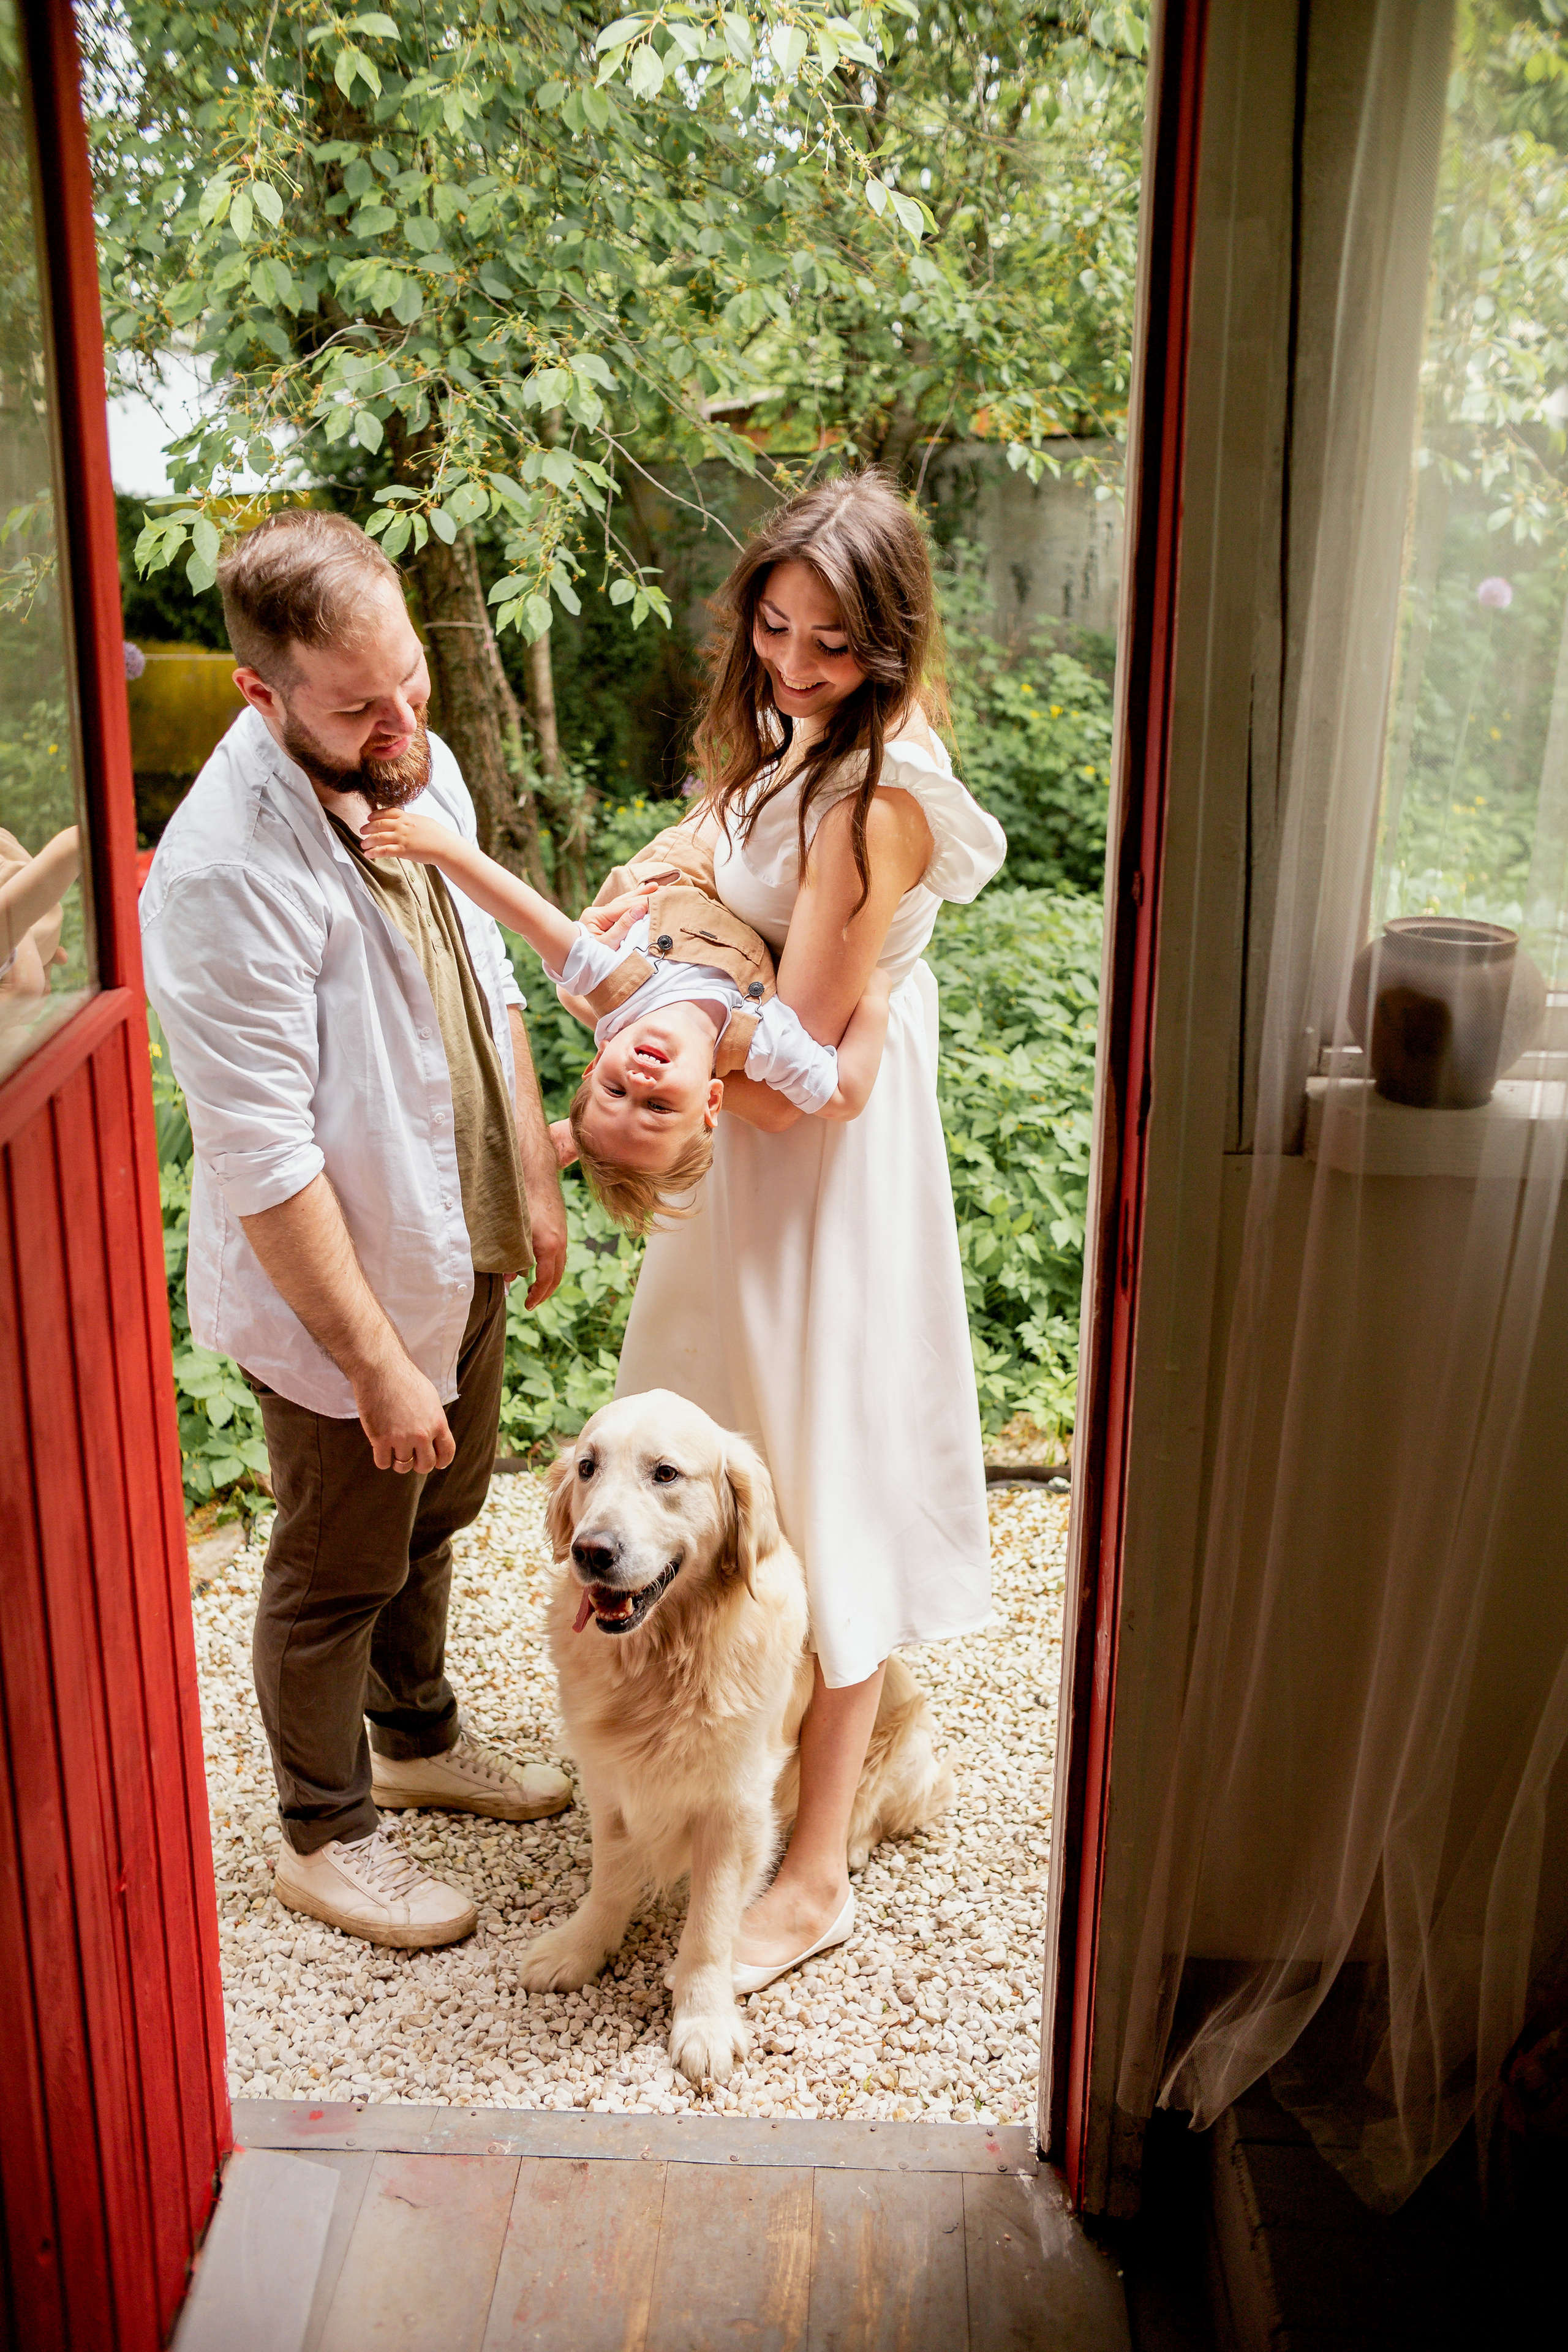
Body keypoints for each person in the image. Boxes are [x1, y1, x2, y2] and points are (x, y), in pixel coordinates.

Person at [596, 472, 1008, 1991]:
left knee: (818, 1478)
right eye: (771, 627)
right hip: (756, 1151)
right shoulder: (793, 738)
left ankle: (816, 1861)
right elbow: (722, 866)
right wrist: (674, 896)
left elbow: (805, 1086)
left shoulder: (876, 790)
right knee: (722, 1443)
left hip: (816, 1167)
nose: (788, 664)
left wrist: (669, 1026)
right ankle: (712, 1762)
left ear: (886, 641)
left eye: (828, 644)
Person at [141, 509, 573, 1951]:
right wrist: (379, 1362)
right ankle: (324, 1829)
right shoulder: (219, 872)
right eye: (357, 703)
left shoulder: (406, 751)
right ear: (263, 694)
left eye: (412, 683)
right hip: (346, 1283)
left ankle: (416, 1732)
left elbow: (487, 972)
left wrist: (536, 1171)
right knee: (335, 1564)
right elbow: (263, 1157)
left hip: (459, 1236)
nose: (402, 725)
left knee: (440, 1509)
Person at [359, 800, 894, 1233]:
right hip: (753, 898)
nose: (641, 1081)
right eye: (658, 1105)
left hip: (683, 863)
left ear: (595, 1065)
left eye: (617, 1092)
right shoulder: (759, 1042)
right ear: (712, 1099)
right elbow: (842, 1096)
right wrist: (877, 988)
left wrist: (445, 850)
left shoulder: (615, 982)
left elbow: (526, 914)